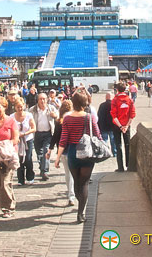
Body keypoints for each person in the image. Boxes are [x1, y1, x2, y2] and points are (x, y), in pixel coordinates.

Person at [55, 90, 102, 223]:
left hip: (72, 153)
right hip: (86, 153)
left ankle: (78, 201)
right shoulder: (89, 117)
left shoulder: (67, 118)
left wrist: (58, 157)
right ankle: (81, 212)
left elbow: (63, 139)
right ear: (84, 103)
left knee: (76, 182)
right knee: (85, 183)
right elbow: (97, 135)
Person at [48, 100, 76, 206]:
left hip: (64, 150)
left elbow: (56, 137)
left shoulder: (59, 121)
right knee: (75, 173)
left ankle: (71, 195)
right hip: (75, 149)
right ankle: (75, 193)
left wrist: (51, 149)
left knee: (68, 173)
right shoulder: (74, 119)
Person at [29, 93, 59, 181]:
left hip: (48, 134)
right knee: (39, 153)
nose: (42, 101)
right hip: (37, 134)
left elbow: (58, 117)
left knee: (46, 151)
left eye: (44, 99)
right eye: (40, 99)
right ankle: (42, 167)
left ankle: (45, 171)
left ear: (47, 100)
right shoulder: (32, 110)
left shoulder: (51, 108)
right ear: (37, 100)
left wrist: (55, 116)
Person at [11, 97, 36, 186]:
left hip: (27, 139)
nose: (20, 109)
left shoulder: (29, 115)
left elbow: (34, 128)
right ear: (15, 107)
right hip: (17, 140)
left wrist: (25, 133)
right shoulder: (12, 117)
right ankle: (20, 179)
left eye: (21, 107)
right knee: (19, 159)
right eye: (18, 107)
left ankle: (30, 177)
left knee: (28, 159)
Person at [110, 83, 136, 172]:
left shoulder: (115, 100)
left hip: (117, 125)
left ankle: (120, 167)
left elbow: (114, 115)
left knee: (118, 145)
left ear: (117, 89)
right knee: (127, 145)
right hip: (127, 125)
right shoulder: (129, 100)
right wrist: (126, 126)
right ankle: (128, 165)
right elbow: (132, 115)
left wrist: (120, 126)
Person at [97, 92, 116, 157]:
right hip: (112, 126)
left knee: (104, 140)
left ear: (106, 97)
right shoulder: (114, 105)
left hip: (103, 126)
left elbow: (99, 116)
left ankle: (105, 153)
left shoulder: (102, 105)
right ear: (112, 97)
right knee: (113, 141)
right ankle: (115, 153)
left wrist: (99, 126)